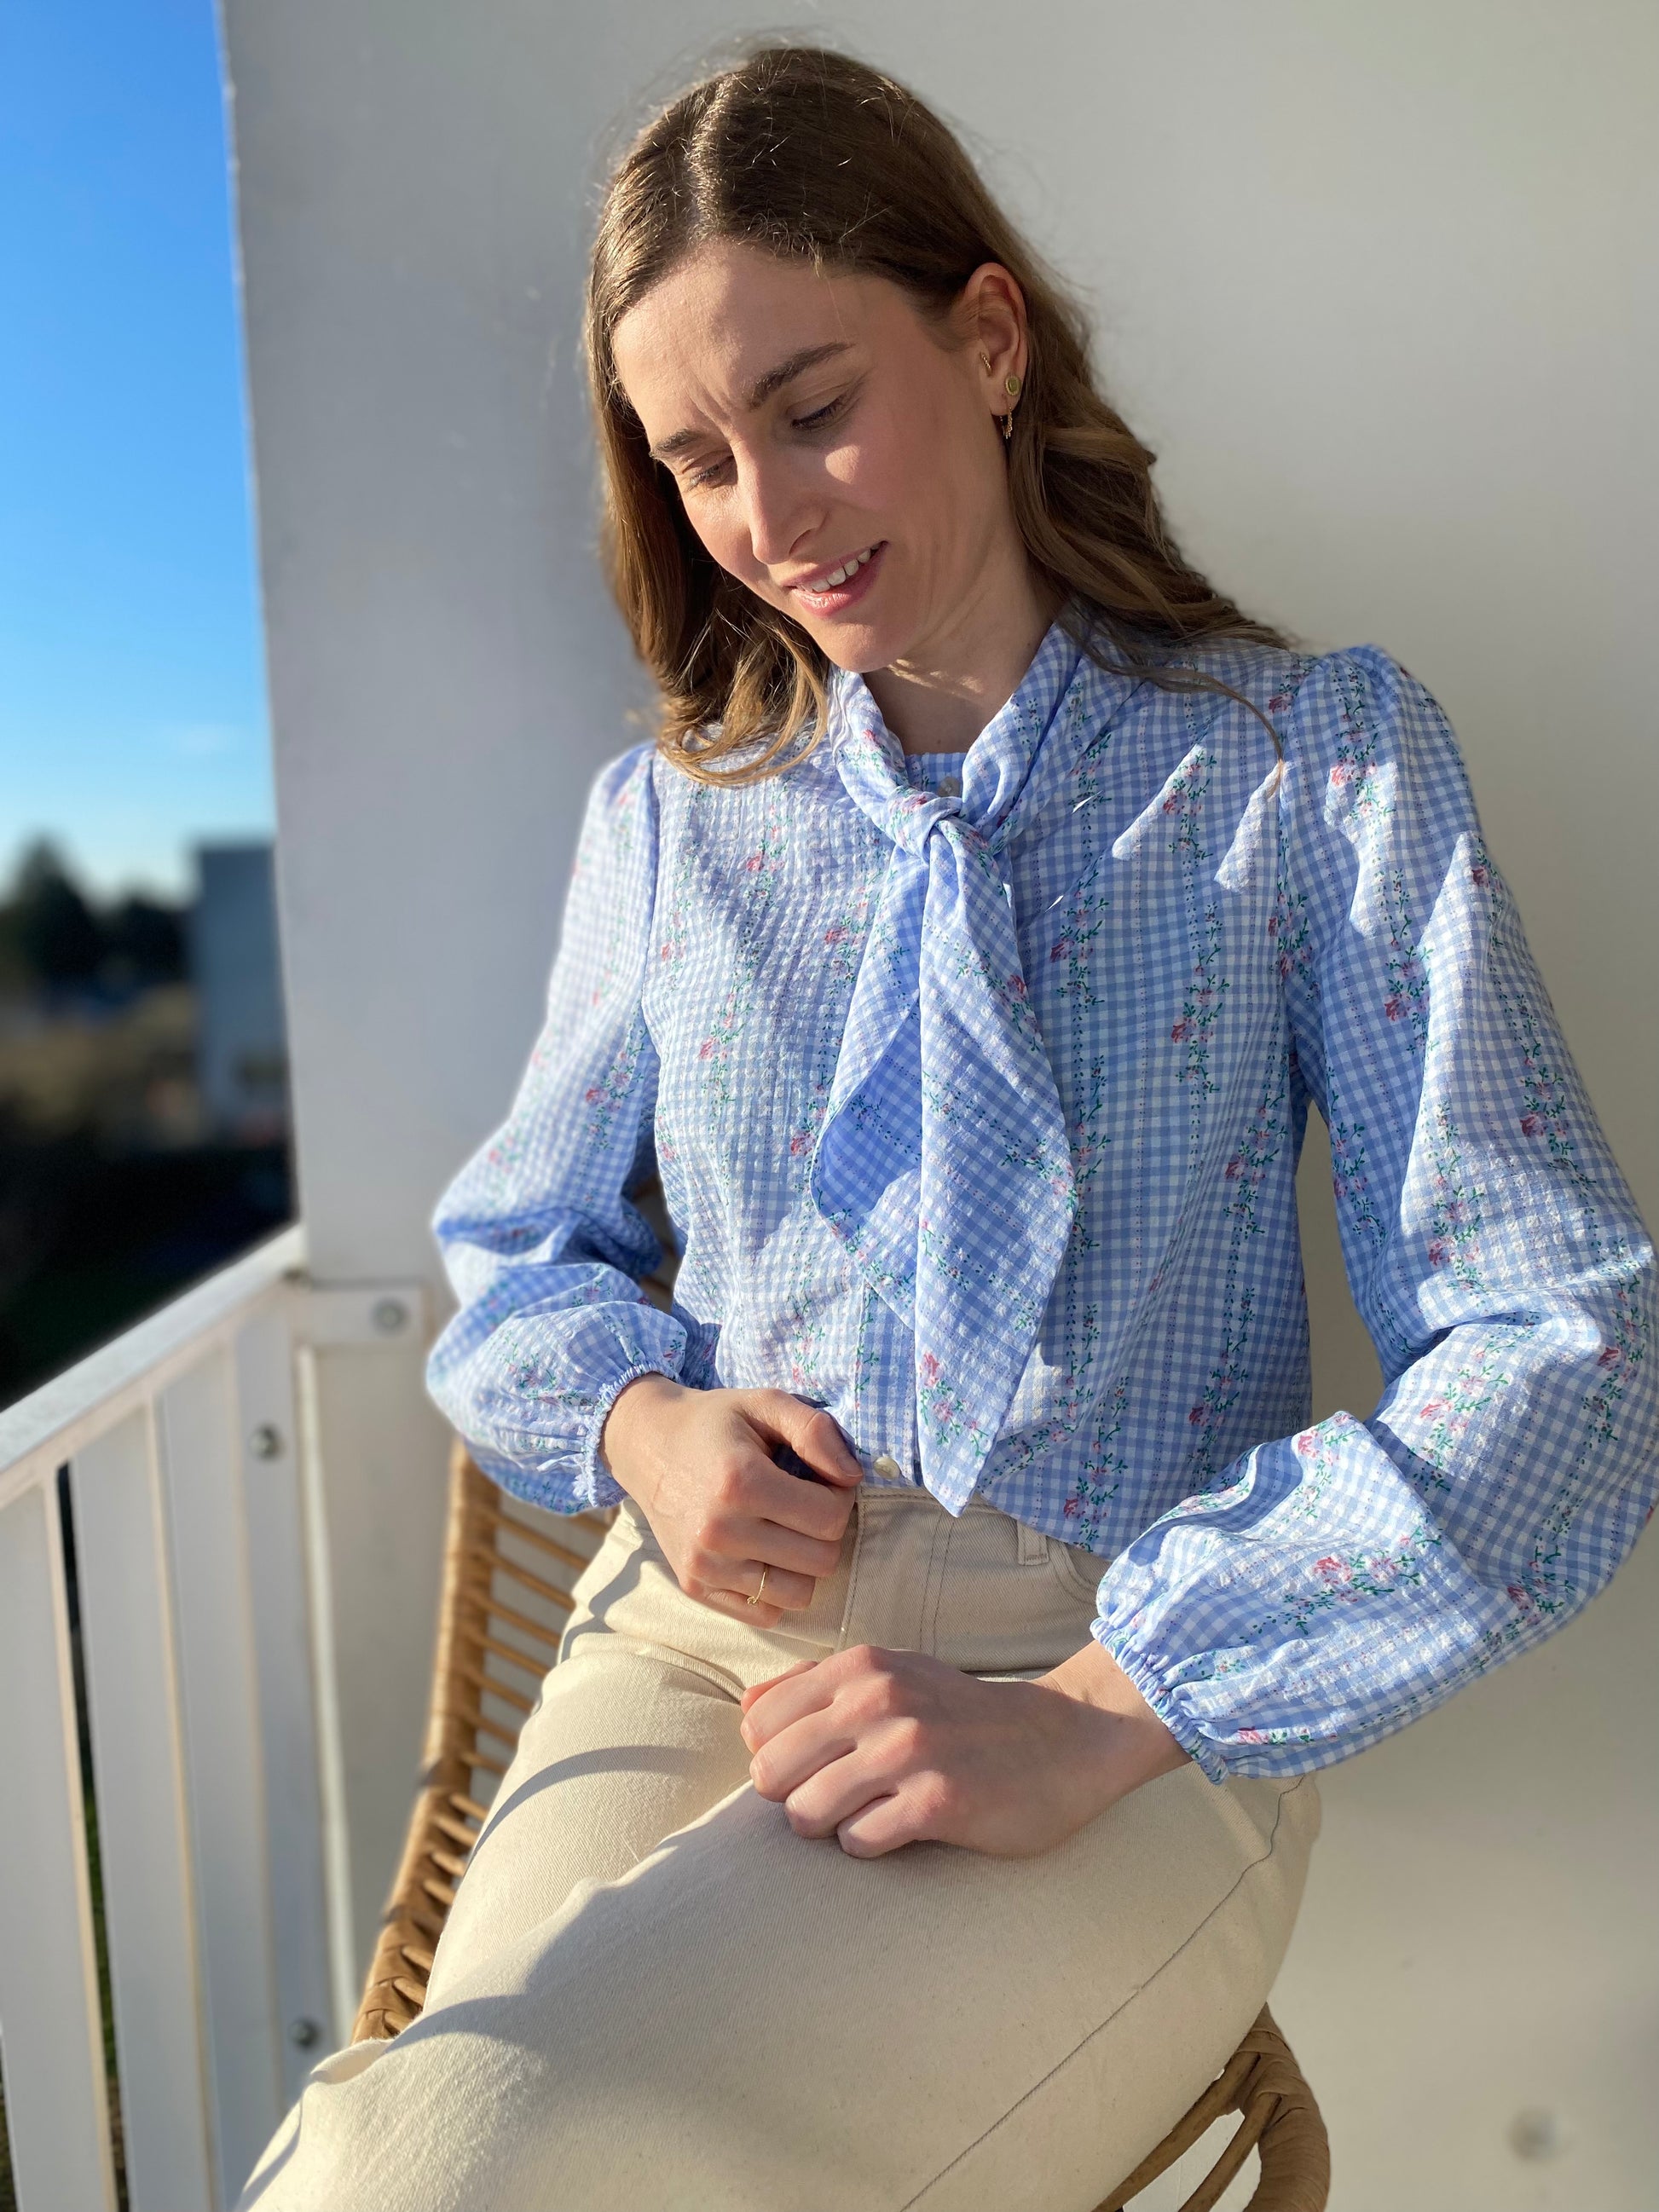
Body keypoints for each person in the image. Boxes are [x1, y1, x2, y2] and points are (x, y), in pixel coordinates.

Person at [239, 43, 1656, 2212]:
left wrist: (1115, 1692)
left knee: (462, 2173)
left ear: (985, 340)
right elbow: (519, 1250)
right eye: (699, 458)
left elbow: (1564, 1340)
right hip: (693, 1624)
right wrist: (646, 1432)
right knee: (400, 2165)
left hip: (1114, 1684)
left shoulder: (1311, 771)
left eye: (812, 406)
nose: (771, 519)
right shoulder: (673, 825)